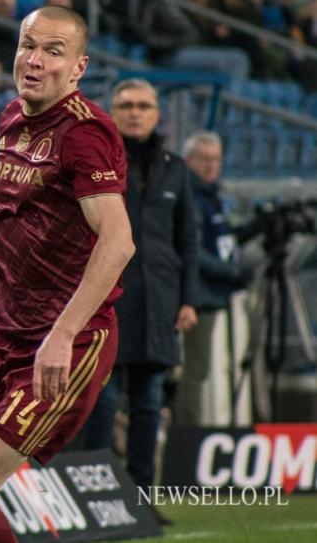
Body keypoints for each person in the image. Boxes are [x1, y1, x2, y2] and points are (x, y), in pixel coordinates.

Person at [0, 6, 135, 543]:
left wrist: (61, 336)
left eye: (53, 51)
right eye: (28, 45)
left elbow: (119, 242)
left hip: (61, 340)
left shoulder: (85, 134)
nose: (35, 60)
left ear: (79, 67)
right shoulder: (11, 117)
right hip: (1, 332)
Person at [80, 78, 198, 524]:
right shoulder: (96, 161)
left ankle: (139, 500)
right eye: (126, 105)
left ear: (157, 114)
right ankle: (94, 497)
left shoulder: (175, 167)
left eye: (144, 106)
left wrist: (188, 299)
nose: (135, 112)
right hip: (108, 296)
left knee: (150, 403)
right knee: (103, 401)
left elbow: (188, 238)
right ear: (111, 111)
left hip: (160, 301)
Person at [177, 130, 253, 426]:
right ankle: (187, 439)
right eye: (204, 159)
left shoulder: (213, 197)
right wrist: (234, 273)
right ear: (189, 161)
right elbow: (194, 251)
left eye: (216, 159)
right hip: (197, 296)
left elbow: (222, 242)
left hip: (210, 294)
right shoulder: (194, 199)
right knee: (195, 370)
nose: (211, 166)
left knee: (200, 369)